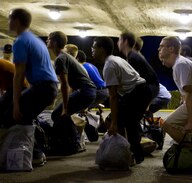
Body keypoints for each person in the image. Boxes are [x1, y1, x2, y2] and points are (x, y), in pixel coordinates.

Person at [92, 36, 148, 164]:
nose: (92, 50)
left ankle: (127, 154)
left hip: (137, 92)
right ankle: (129, 153)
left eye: (94, 47)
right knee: (129, 124)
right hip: (140, 91)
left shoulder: (109, 66)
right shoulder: (115, 59)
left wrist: (114, 123)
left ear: (102, 49)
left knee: (114, 121)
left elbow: (113, 96)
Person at [2, 8, 58, 129]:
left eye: (10, 19)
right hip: (49, 88)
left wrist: (16, 105)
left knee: (8, 118)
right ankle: (29, 145)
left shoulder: (21, 41)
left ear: (16, 21)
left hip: (42, 88)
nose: (8, 22)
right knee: (24, 121)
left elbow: (19, 76)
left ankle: (23, 147)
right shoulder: (36, 40)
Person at [48, 31, 96, 127]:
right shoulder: (66, 57)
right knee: (63, 116)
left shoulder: (60, 59)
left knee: (56, 115)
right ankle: (73, 139)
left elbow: (65, 84)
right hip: (88, 92)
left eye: (48, 39)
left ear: (54, 42)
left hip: (84, 91)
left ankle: (72, 139)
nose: (46, 41)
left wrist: (65, 107)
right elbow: (71, 84)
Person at [117, 32, 159, 112]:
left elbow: (132, 81)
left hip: (148, 89)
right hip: (150, 88)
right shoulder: (134, 55)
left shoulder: (132, 57)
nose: (117, 42)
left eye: (119, 40)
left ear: (125, 42)